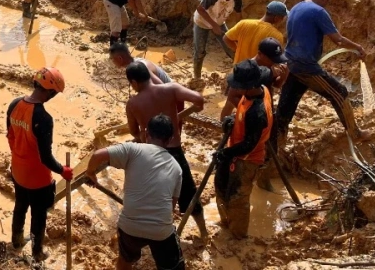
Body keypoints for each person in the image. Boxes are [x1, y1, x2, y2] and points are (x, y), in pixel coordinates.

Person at [86, 114, 185, 270]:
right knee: (173, 266)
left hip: (129, 226)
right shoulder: (177, 168)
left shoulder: (133, 149)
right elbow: (171, 208)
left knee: (125, 260)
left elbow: (98, 155)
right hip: (160, 229)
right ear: (170, 139)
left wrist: (90, 173)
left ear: (146, 134)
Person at [275, 0, 370, 144]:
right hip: (306, 66)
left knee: (286, 106)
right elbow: (338, 40)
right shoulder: (318, 12)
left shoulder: (296, 7)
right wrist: (357, 47)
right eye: (327, 1)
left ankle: (276, 140)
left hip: (290, 62)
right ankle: (356, 134)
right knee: (340, 93)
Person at [125, 61, 208, 240]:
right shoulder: (170, 89)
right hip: (175, 152)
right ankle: (203, 233)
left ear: (134, 83)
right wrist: (176, 118)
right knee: (188, 193)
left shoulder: (133, 103)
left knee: (153, 195)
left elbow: (134, 132)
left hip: (150, 156)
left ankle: (151, 232)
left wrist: (142, 133)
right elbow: (200, 100)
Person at [7, 67, 73, 262]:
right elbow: (45, 157)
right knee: (38, 216)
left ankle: (16, 242)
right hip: (37, 179)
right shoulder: (43, 118)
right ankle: (37, 253)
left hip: (18, 170)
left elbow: (10, 137)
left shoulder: (14, 104)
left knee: (20, 206)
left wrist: (20, 156)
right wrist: (63, 170)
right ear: (50, 92)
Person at [213, 59, 273, 239]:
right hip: (236, 151)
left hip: (247, 159)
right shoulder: (259, 91)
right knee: (221, 186)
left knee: (237, 198)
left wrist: (226, 153)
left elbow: (249, 145)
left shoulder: (257, 112)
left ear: (248, 86)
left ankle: (238, 236)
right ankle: (226, 222)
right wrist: (232, 120)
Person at [192, 0, 251, 79]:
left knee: (232, 48)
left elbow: (238, 16)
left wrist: (239, 33)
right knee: (200, 51)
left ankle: (241, 75)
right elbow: (200, 9)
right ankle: (197, 78)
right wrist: (214, 25)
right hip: (201, 22)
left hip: (219, 23)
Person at [221, 37, 288, 118]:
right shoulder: (247, 71)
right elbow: (232, 97)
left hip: (263, 107)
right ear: (260, 54)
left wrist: (283, 77)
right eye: (272, 59)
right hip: (252, 111)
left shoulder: (270, 66)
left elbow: (275, 85)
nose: (275, 62)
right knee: (228, 107)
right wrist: (250, 112)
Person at [223, 0, 288, 65]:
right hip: (258, 72)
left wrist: (237, 49)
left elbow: (226, 38)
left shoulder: (243, 23)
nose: (282, 20)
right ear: (276, 18)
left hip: (238, 69)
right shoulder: (277, 36)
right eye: (282, 18)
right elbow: (273, 59)